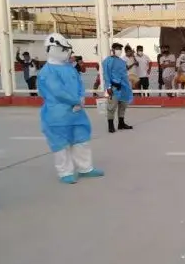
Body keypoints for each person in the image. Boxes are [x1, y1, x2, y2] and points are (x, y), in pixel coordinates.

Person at [38, 33, 105, 184]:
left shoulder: (69, 68)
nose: (67, 52)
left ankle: (85, 168)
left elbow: (79, 84)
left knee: (81, 140)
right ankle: (65, 172)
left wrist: (81, 98)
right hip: (58, 114)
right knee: (61, 145)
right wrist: (75, 100)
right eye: (64, 49)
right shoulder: (47, 72)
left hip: (76, 113)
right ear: (53, 48)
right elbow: (56, 91)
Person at [102, 42, 134, 133]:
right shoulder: (108, 61)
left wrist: (128, 87)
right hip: (113, 87)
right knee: (111, 106)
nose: (119, 50)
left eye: (120, 49)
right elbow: (106, 75)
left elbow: (124, 75)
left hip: (124, 87)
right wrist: (108, 87)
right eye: (117, 48)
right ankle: (111, 125)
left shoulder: (122, 62)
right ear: (112, 50)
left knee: (123, 105)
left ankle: (121, 123)